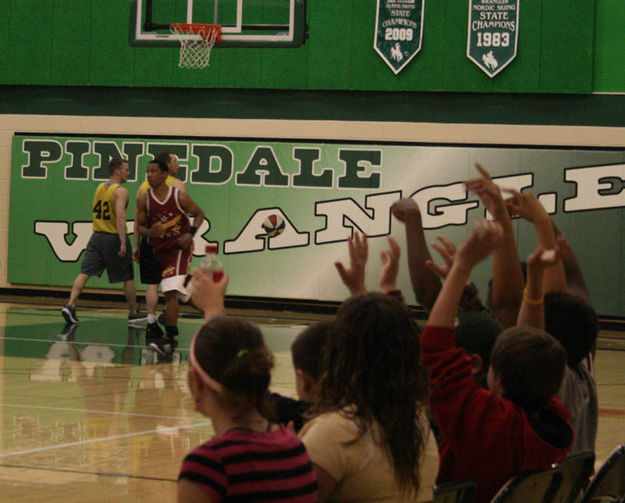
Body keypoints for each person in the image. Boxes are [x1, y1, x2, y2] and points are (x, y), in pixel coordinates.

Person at [422, 219, 573, 503]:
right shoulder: (553, 424)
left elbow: (435, 346)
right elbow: (532, 348)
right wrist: (534, 280)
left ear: (498, 378)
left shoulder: (488, 424)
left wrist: (462, 266)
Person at [298, 233, 438, 502]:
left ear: (340, 352)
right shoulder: (418, 424)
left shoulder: (335, 433)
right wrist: (361, 289)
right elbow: (383, 338)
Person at [177, 270, 318, 503]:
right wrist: (214, 309)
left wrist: (213, 309)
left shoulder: (207, 467)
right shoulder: (296, 446)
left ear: (196, 382)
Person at [62, 158, 145, 325]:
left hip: (96, 236)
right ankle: (133, 313)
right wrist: (123, 241)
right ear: (117, 171)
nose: (129, 172)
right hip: (113, 236)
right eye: (126, 169)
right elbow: (120, 217)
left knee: (84, 272)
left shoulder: (100, 187)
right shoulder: (120, 191)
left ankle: (70, 304)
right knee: (128, 276)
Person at [135, 158, 205, 356]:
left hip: (179, 248)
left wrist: (190, 234)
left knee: (170, 291)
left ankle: (169, 340)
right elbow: (140, 226)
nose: (149, 175)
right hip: (160, 250)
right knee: (182, 294)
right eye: (147, 171)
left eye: (154, 171)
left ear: (165, 175)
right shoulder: (144, 198)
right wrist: (149, 233)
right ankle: (214, 314)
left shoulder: (179, 196)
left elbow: (200, 214)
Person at [133, 151, 185, 339]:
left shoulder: (142, 187)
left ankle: (151, 320)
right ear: (167, 166)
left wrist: (136, 244)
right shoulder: (177, 185)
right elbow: (182, 217)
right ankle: (169, 319)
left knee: (152, 284)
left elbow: (137, 221)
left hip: (149, 242)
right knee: (172, 287)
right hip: (170, 244)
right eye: (175, 161)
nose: (177, 165)